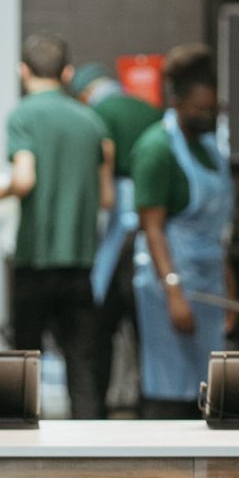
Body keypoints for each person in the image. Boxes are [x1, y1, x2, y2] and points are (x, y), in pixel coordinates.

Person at [0, 34, 114, 418]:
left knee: (26, 364)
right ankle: (89, 454)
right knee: (82, 364)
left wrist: (2, 190)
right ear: (67, 73)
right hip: (79, 264)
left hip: (36, 260)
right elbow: (107, 197)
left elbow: (24, 179)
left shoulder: (23, 114)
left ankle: (20, 449)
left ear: (22, 71)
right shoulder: (93, 121)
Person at [130, 44, 235, 418]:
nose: (206, 115)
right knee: (170, 388)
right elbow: (152, 229)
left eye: (212, 108)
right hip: (169, 283)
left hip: (208, 281)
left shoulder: (209, 148)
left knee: (206, 390)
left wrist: (227, 285)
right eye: (199, 109)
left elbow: (215, 229)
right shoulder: (156, 149)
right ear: (176, 101)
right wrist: (173, 289)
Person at [70, 62, 160, 412]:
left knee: (99, 332)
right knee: (146, 335)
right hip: (152, 231)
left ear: (84, 92)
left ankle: (97, 412)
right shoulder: (150, 111)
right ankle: (149, 411)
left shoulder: (93, 116)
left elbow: (101, 185)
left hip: (114, 234)